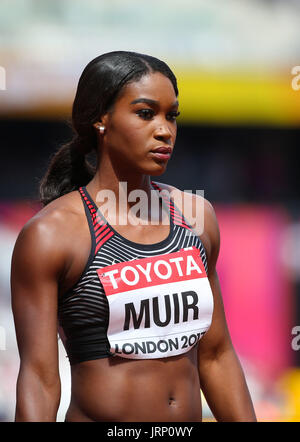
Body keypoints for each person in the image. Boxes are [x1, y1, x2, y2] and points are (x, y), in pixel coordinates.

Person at [11, 51, 256, 422]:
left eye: (172, 115)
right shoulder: (52, 234)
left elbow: (216, 355)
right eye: (146, 113)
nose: (164, 130)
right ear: (100, 120)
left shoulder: (195, 217)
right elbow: (40, 379)